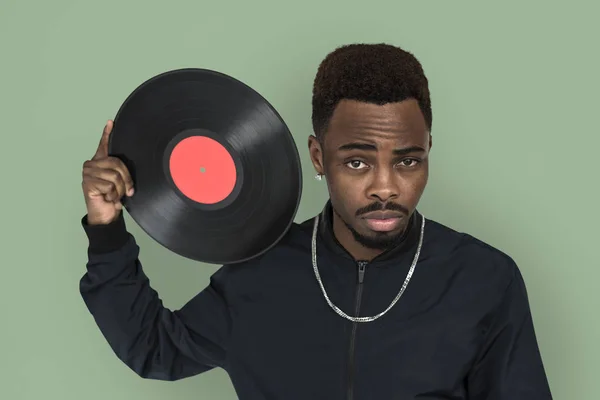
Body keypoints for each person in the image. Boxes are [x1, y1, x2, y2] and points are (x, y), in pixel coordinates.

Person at [79, 43, 553, 399]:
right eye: (358, 163)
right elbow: (154, 348)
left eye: (408, 162)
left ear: (428, 153)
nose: (385, 187)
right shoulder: (258, 272)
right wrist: (106, 230)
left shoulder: (484, 279)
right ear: (319, 156)